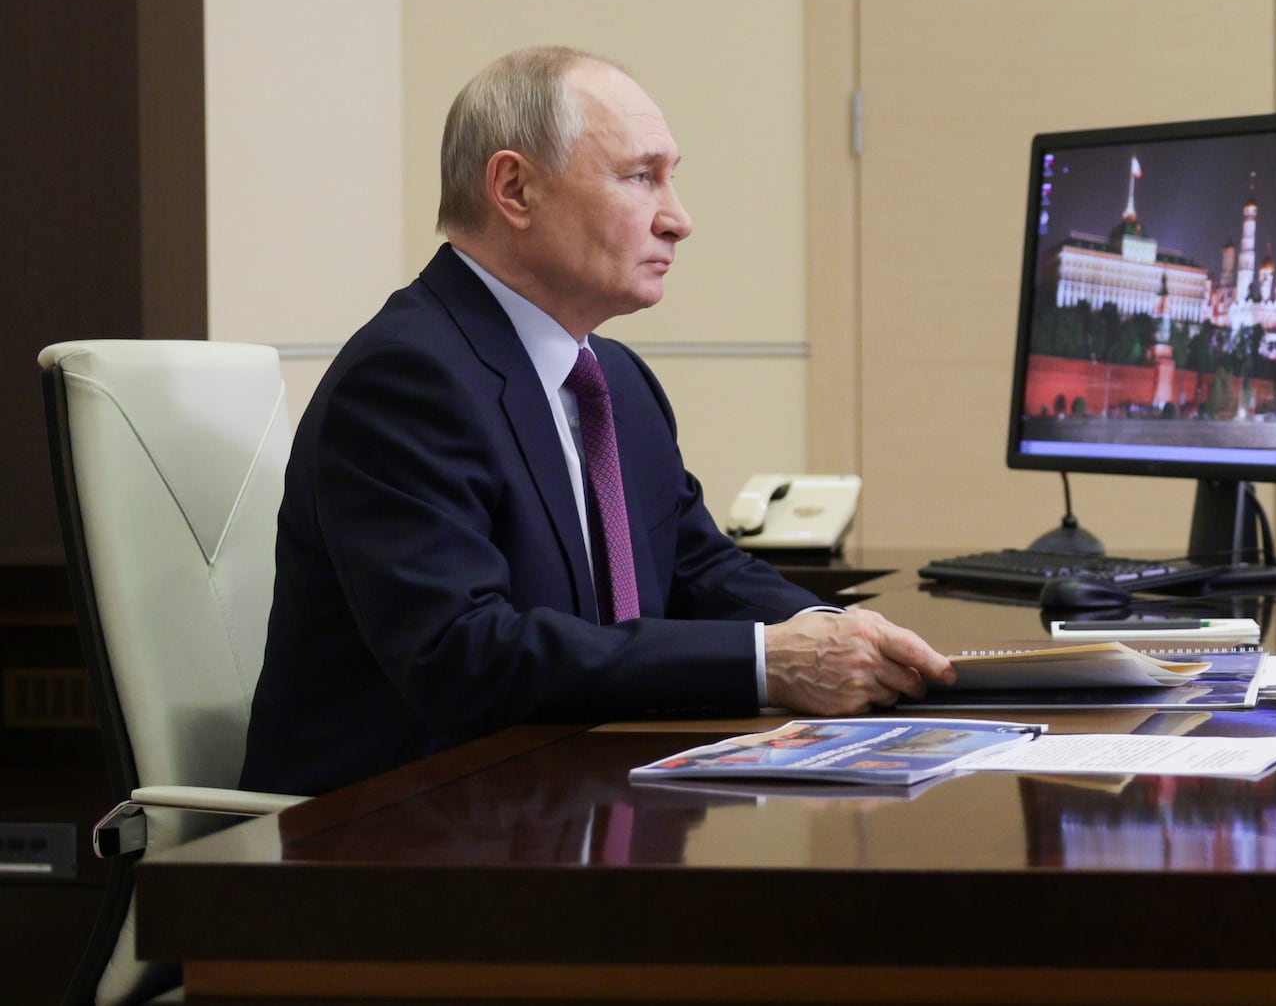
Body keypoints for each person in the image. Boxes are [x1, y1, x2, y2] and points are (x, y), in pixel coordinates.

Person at [240, 46, 954, 795]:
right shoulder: (405, 379)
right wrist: (766, 659)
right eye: (641, 176)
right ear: (514, 188)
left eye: (673, 177)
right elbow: (464, 656)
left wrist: (851, 639)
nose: (679, 219)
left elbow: (699, 568)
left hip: (567, 801)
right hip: (389, 837)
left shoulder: (613, 378)